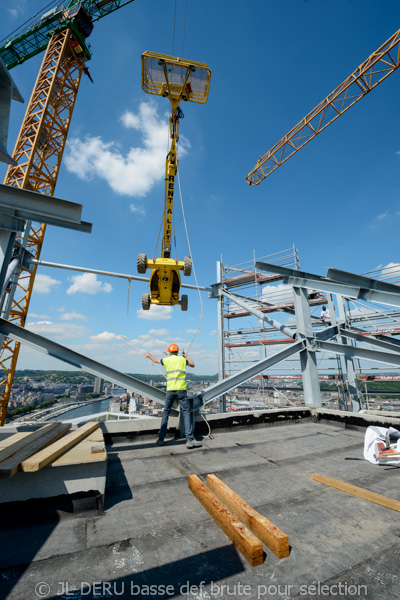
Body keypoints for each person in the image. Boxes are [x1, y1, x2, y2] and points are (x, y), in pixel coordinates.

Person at [145, 343, 202, 449]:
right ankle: (189, 439)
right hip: (181, 390)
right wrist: (185, 356)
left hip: (170, 390)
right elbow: (192, 364)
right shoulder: (181, 360)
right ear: (177, 352)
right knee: (186, 412)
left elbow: (155, 360)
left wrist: (149, 355)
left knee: (166, 412)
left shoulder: (167, 360)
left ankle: (161, 439)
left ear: (169, 352)